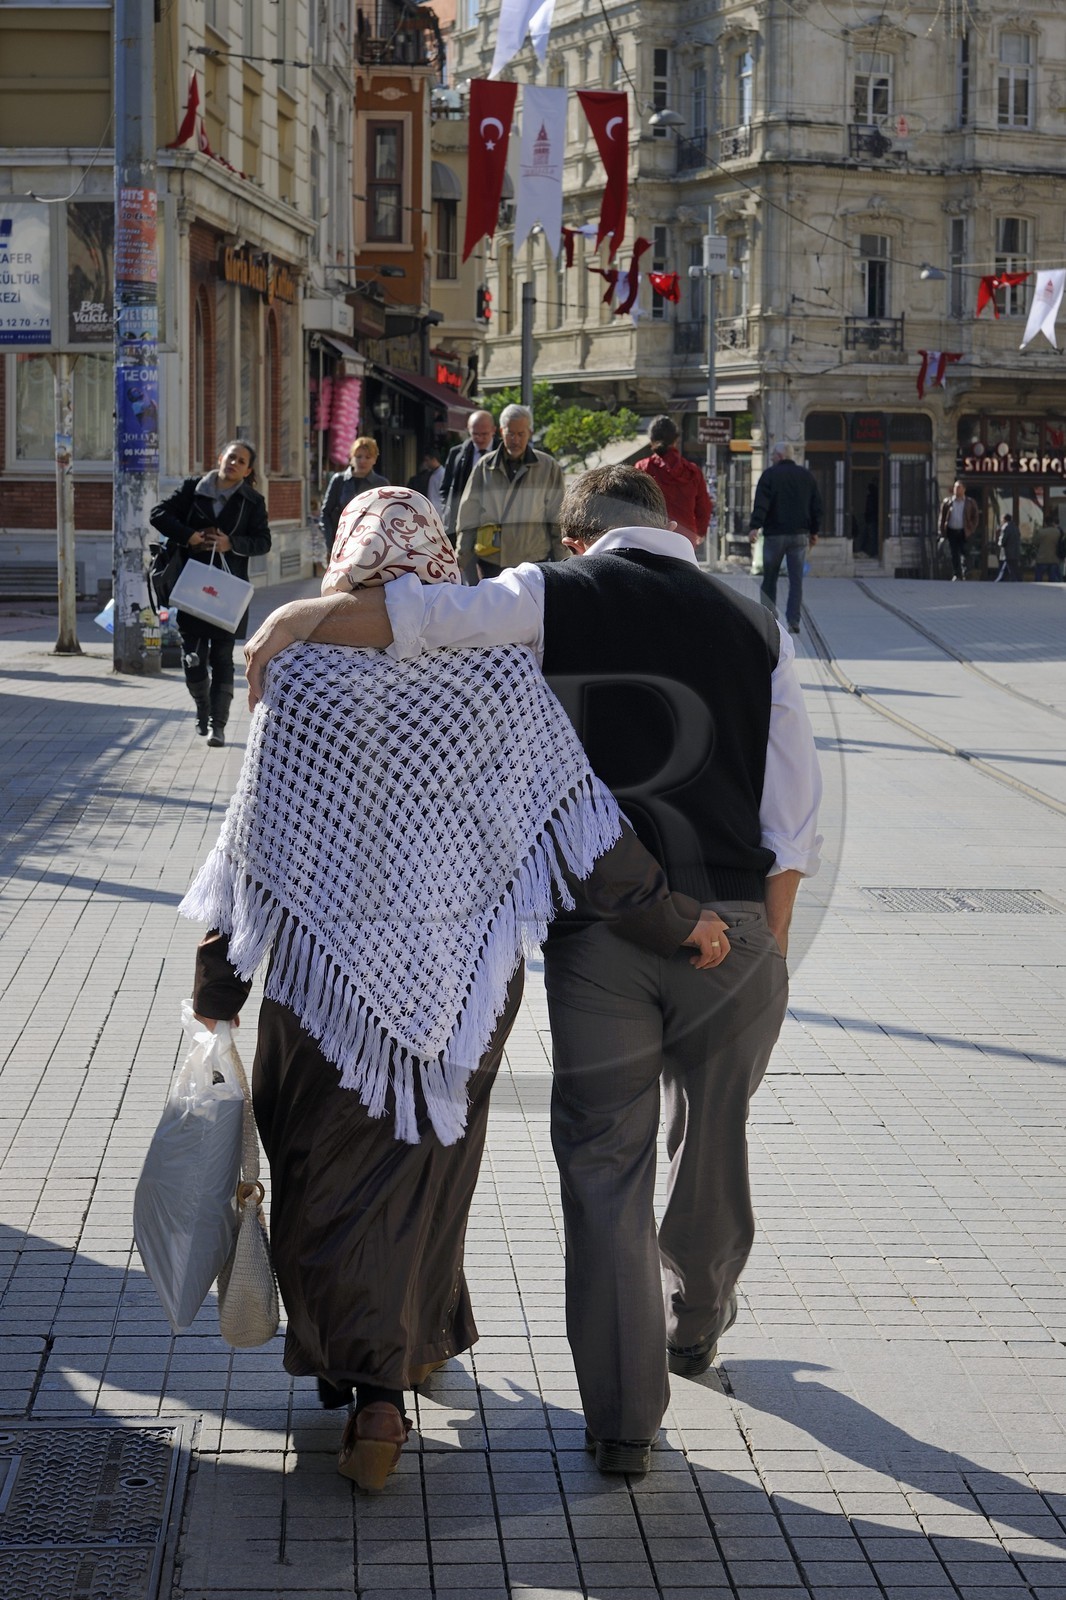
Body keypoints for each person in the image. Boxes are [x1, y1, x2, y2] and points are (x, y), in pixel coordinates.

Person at [242, 465, 822, 1479]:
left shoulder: (546, 597)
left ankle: (612, 1421)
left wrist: (299, 615)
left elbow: (418, 622)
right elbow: (785, 820)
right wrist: (742, 942)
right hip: (651, 940)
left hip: (496, 959)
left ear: (580, 530)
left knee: (598, 1167)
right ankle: (690, 1311)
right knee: (693, 1137)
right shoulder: (753, 626)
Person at [150, 439, 271, 747]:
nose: (234, 463)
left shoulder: (252, 501)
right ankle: (202, 706)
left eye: (241, 461)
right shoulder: (194, 488)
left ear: (248, 470)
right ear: (220, 457)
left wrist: (233, 543)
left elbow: (263, 542)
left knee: (221, 657)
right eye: (231, 457)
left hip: (228, 592)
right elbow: (159, 514)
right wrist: (188, 535)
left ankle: (218, 725)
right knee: (191, 656)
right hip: (191, 585)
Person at [456, 404, 565, 579]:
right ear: (501, 431)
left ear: (529, 432)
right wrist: (461, 558)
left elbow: (558, 518)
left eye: (521, 434)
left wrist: (563, 563)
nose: (516, 439)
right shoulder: (485, 466)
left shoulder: (548, 466)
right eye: (510, 434)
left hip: (533, 561)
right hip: (491, 560)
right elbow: (469, 515)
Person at [748, 442, 822, 633]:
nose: (772, 457)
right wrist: (814, 531)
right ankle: (794, 620)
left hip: (775, 535)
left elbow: (762, 503)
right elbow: (816, 507)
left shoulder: (770, 475)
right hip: (799, 536)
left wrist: (755, 526)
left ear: (780, 456)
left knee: (769, 578)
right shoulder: (807, 476)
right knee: (796, 580)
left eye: (773, 454)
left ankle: (769, 618)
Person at [634, 415, 712, 549]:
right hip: (685, 540)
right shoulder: (692, 471)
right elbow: (704, 507)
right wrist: (700, 532)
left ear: (651, 440)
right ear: (676, 440)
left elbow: (632, 505)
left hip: (651, 539)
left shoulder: (643, 468)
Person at [320, 437, 388, 560]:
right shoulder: (339, 480)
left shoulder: (381, 484)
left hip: (371, 547)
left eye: (368, 457)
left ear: (374, 459)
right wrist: (331, 544)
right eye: (358, 456)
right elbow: (325, 513)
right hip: (341, 545)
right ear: (351, 458)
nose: (362, 461)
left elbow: (387, 517)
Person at [439, 410, 497, 546]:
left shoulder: (502, 452)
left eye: (484, 434)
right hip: (462, 521)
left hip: (493, 522)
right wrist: (447, 509)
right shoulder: (457, 453)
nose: (480, 438)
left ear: (493, 430)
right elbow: (445, 488)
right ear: (468, 430)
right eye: (475, 434)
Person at [937, 480, 979, 582]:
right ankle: (957, 574)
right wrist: (942, 530)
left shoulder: (970, 502)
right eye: (955, 487)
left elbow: (975, 517)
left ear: (964, 489)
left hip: (964, 531)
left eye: (959, 487)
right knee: (954, 553)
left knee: (965, 553)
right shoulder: (948, 502)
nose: (957, 489)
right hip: (951, 531)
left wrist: (971, 528)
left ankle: (966, 573)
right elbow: (942, 517)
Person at [407, 447, 444, 514]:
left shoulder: (442, 474)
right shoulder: (431, 474)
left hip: (439, 511)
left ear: (434, 459)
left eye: (427, 460)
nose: (426, 463)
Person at [1032, 512, 1062, 582]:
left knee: (1039, 577)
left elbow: (1035, 542)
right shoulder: (1058, 532)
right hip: (1054, 558)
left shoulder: (1041, 532)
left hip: (1042, 557)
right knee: (1053, 578)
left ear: (1045, 523)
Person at [995, 512, 1022, 582]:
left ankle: (1013, 579)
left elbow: (1003, 539)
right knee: (1011, 566)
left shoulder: (1005, 527)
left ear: (1004, 519)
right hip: (1015, 551)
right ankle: (1001, 579)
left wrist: (999, 543)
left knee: (1009, 567)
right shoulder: (1015, 527)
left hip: (1007, 551)